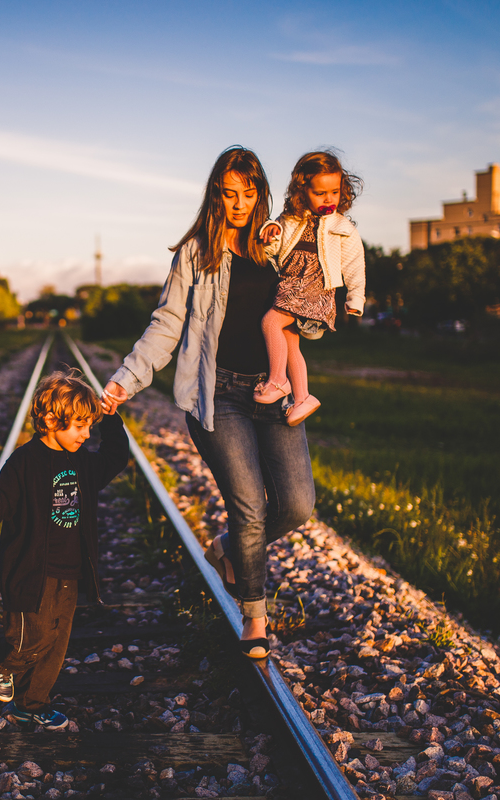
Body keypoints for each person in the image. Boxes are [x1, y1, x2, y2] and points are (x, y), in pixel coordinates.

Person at [99, 146, 316, 660]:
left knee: (297, 505)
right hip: (218, 394)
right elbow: (167, 324)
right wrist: (122, 383)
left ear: (260, 192)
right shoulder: (197, 252)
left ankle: (224, 548)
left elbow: (308, 316)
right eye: (228, 193)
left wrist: (315, 307)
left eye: (247, 193)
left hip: (276, 388)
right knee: (247, 507)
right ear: (216, 194)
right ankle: (255, 616)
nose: (239, 203)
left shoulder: (282, 243)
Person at [0, 368, 129, 729]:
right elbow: (5, 496)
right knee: (31, 638)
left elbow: (115, 458)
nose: (85, 434)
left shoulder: (83, 462)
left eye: (89, 426)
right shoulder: (24, 462)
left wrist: (111, 419)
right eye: (78, 426)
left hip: (69, 570)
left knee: (56, 644)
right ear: (48, 420)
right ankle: (1, 657)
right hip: (33, 571)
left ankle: (31, 704)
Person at [253, 150, 366, 425]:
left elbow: (354, 263)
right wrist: (270, 232)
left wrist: (356, 297)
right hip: (290, 284)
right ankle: (303, 397)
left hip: (315, 287)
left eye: (334, 192)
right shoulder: (290, 218)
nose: (329, 199)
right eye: (320, 193)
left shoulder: (342, 227)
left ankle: (279, 380)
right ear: (303, 191)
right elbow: (273, 249)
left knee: (270, 322)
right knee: (290, 341)